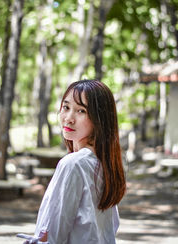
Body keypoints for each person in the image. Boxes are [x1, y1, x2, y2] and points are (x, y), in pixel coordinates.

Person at [18, 79, 126, 244]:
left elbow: (52, 236)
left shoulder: (74, 164)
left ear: (99, 118)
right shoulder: (106, 164)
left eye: (81, 111)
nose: (68, 118)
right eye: (66, 107)